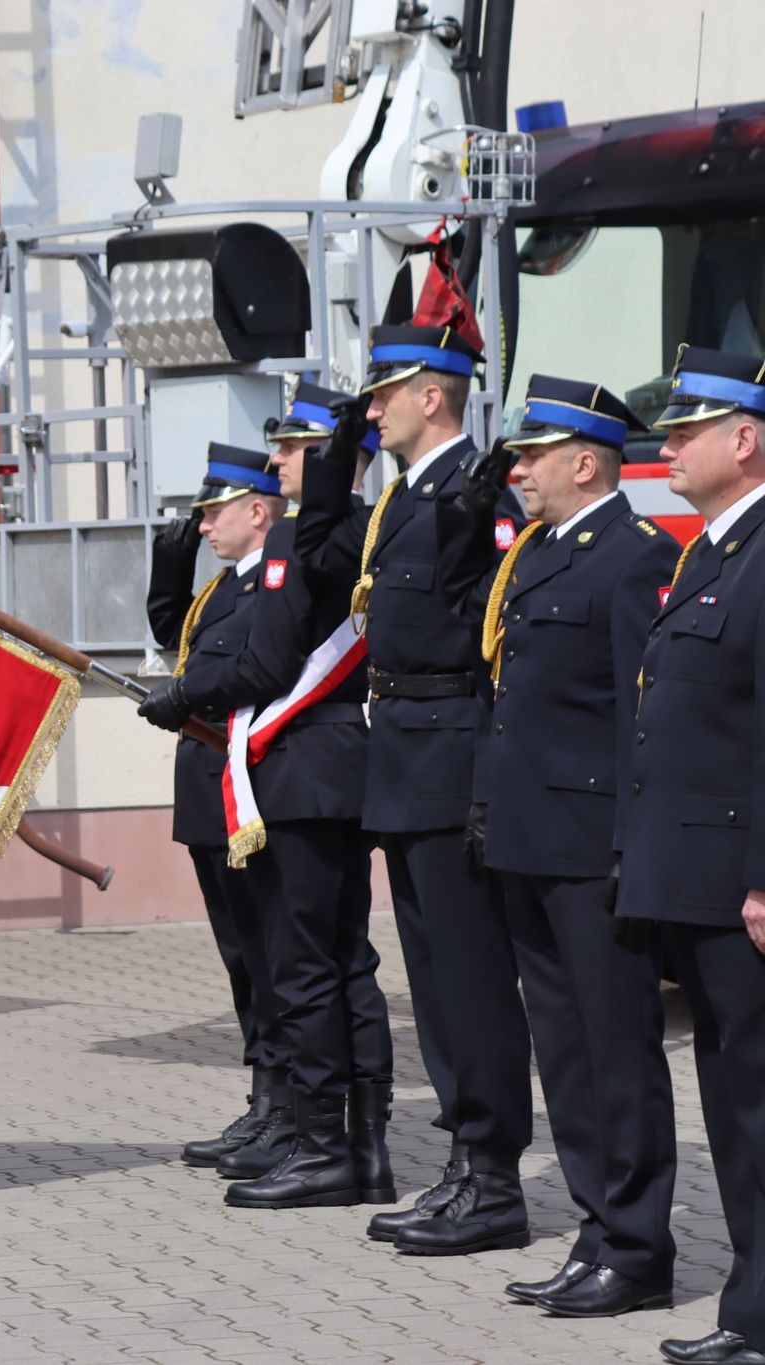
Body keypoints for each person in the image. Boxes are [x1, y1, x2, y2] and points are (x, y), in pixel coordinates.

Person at [294, 325, 534, 1256]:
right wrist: (337, 459)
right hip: (401, 751)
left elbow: (495, 629)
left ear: (432, 395)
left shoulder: (476, 492)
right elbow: (322, 557)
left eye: (383, 393)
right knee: (433, 980)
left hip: (452, 748)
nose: (372, 408)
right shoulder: (401, 497)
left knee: (471, 976)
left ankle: (495, 1176)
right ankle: (466, 1162)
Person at [142, 387, 396, 1210]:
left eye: (292, 448)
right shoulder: (353, 528)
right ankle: (356, 1145)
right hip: (323, 766)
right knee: (333, 963)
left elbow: (266, 663)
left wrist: (185, 695)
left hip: (303, 768)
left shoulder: (306, 536)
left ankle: (323, 1143)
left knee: (306, 966)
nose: (276, 460)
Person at [474, 374, 681, 1317]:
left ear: (586, 463)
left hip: (594, 847)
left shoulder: (633, 556)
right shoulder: (541, 553)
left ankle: (637, 1250)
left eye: (533, 455)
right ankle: (598, 1233)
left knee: (617, 1052)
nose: (518, 470)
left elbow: (644, 717)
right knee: (563, 1051)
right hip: (529, 841)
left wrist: (634, 846)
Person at [616, 347, 765, 1365]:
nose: (666, 446)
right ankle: (750, 1306)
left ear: (744, 439)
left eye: (686, 430)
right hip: (697, 876)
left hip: (739, 879)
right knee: (732, 1102)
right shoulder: (710, 553)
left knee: (756, 1104)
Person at [142, 444, 292, 1176]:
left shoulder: (276, 582)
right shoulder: (224, 588)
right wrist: (168, 566)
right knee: (240, 958)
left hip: (251, 790)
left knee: (270, 954)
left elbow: (248, 670)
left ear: (257, 511)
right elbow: (176, 639)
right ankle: (264, 1098)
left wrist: (188, 695)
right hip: (208, 789)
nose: (202, 526)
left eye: (212, 513)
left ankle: (288, 1104)